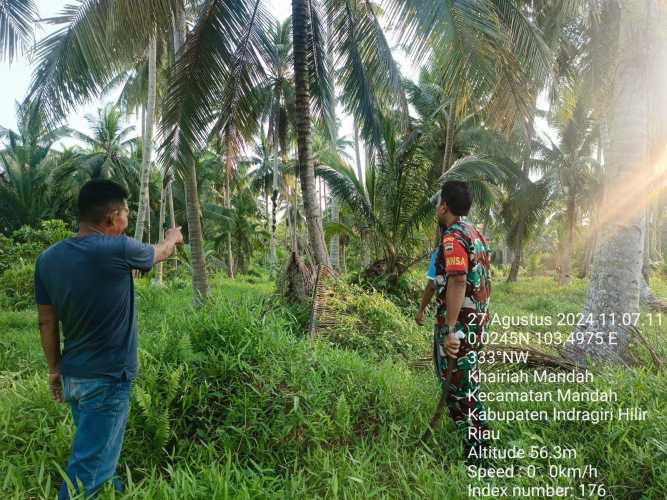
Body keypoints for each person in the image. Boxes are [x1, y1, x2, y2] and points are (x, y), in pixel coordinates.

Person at [34, 180, 183, 499]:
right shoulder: (119, 248)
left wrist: (54, 368)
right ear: (113, 217)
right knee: (86, 473)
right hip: (108, 379)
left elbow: (46, 321)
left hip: (74, 376)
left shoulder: (47, 259)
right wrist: (172, 237)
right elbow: (161, 252)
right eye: (127, 213)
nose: (127, 219)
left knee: (98, 452)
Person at [430, 180, 492, 461]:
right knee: (467, 382)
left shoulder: (453, 236)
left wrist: (451, 330)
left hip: (461, 327)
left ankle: (478, 455)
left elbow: (457, 279)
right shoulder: (474, 232)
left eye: (437, 202)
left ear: (444, 206)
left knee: (458, 387)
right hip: (477, 323)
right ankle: (479, 446)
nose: (436, 206)